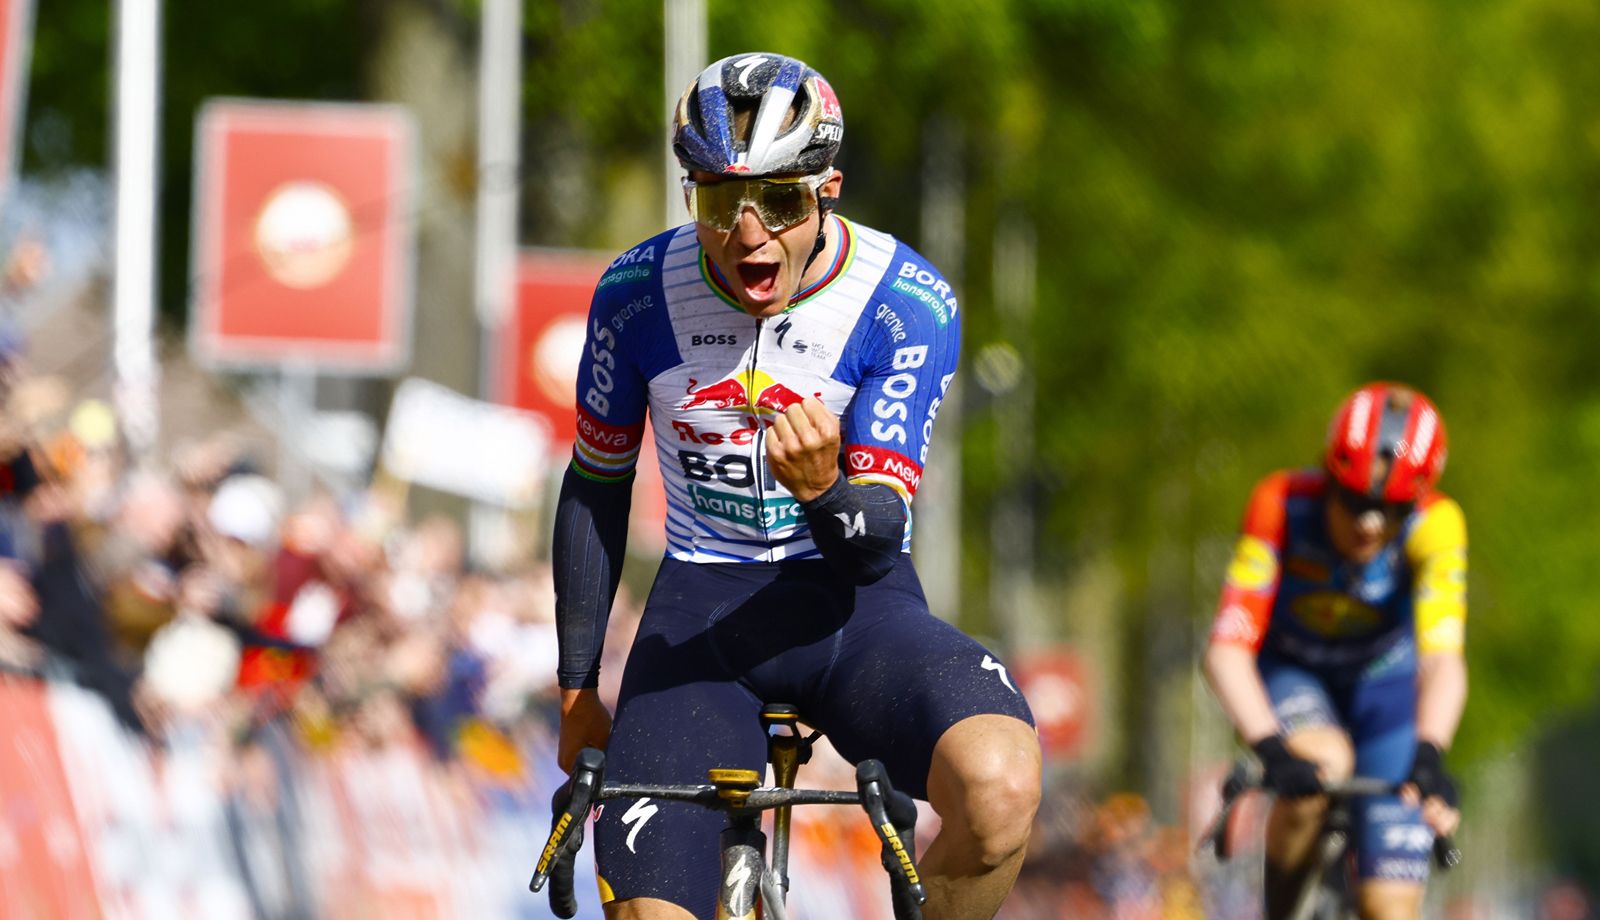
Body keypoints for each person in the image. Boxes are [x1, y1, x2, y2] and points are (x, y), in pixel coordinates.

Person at [551, 52, 1041, 919]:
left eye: (778, 202)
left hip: (855, 611)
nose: (748, 235)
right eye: (717, 201)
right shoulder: (634, 294)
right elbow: (596, 483)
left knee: (1000, 789)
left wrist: (823, 492)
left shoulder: (902, 300)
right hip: (699, 619)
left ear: (827, 191)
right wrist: (578, 685)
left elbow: (872, 547)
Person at [1203, 382, 1467, 920]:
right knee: (1323, 764)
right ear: (1328, 478)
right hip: (1293, 673)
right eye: (1355, 501)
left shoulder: (1438, 524)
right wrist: (1271, 749)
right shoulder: (1280, 504)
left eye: (1391, 509)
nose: (1370, 524)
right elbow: (1226, 650)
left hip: (1385, 691)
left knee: (1390, 909)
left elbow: (1443, 658)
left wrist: (1431, 753)